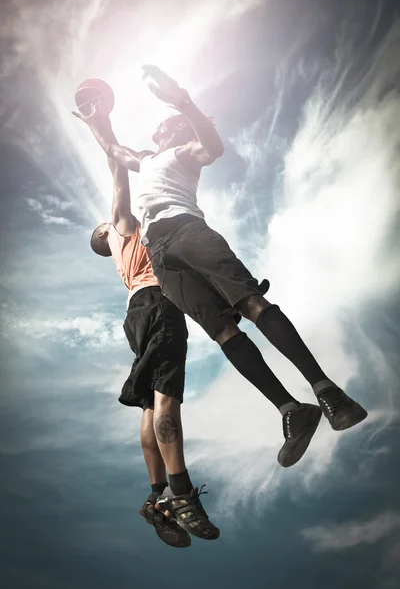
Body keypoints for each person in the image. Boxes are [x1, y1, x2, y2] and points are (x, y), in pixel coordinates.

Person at [73, 65, 367, 518]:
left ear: (176, 129)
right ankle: (291, 410)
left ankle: (328, 391)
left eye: (164, 125)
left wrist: (182, 102)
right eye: (160, 126)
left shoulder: (185, 153)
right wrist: (97, 120)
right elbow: (113, 151)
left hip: (187, 230)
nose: (158, 130)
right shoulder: (147, 161)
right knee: (223, 332)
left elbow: (214, 146)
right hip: (164, 258)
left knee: (251, 303)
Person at [85, 151, 220, 544]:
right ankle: (180, 491)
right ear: (104, 235)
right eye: (105, 223)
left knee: (149, 403)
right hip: (158, 305)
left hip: (137, 313)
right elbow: (119, 184)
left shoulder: (127, 257)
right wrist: (114, 151)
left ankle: (156, 494)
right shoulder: (122, 231)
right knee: (166, 397)